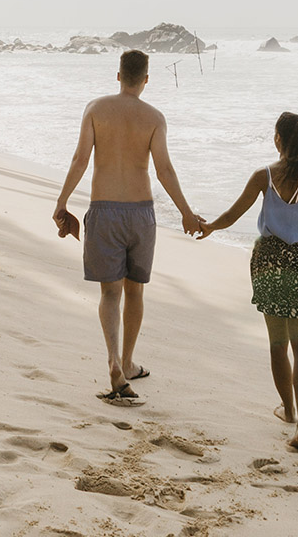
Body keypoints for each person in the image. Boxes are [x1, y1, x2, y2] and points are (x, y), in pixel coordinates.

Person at [53, 48, 204, 406]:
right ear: (146, 80)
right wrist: (186, 212)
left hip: (104, 211)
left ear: (118, 75)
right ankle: (127, 362)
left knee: (110, 294)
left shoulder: (95, 109)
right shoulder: (154, 117)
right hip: (140, 214)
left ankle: (113, 363)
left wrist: (61, 202)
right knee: (135, 293)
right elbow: (164, 170)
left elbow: (80, 159)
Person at [197, 111, 298, 452]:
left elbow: (233, 214)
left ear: (279, 140)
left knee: (278, 344)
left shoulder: (264, 176)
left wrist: (209, 228)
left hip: (269, 262)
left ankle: (288, 410)